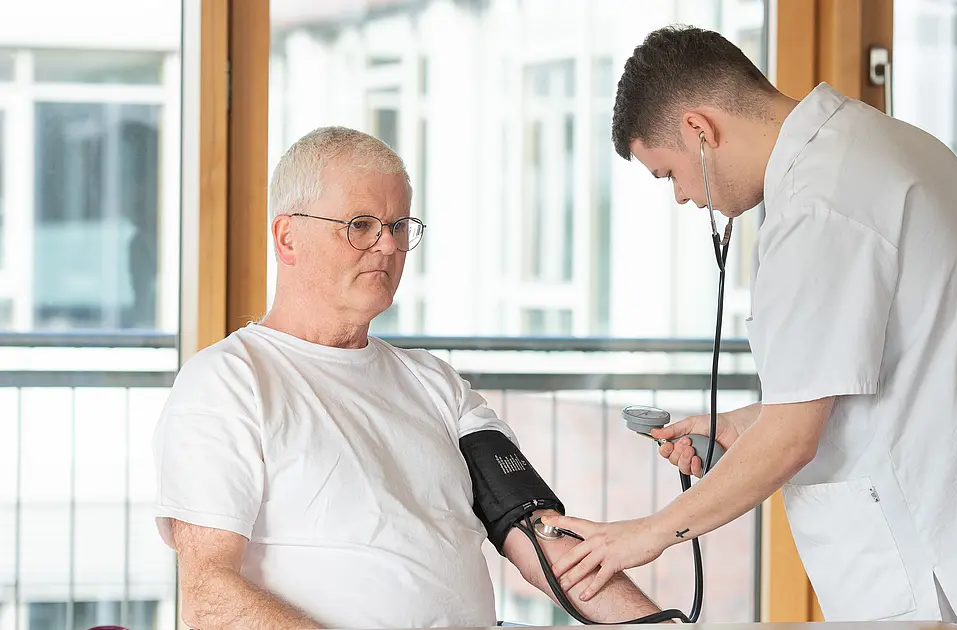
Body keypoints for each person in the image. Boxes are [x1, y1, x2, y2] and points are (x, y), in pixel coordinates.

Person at [541, 25, 957, 630]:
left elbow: (792, 437)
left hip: (941, 567)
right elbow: (879, 370)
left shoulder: (818, 207)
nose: (681, 198)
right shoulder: (878, 145)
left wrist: (646, 535)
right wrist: (739, 425)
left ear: (700, 132)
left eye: (669, 174)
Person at [151, 126, 661, 629]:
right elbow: (209, 596)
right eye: (361, 225)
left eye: (398, 226)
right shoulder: (228, 382)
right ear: (288, 238)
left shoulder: (435, 384)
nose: (388, 246)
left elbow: (536, 535)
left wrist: (659, 628)